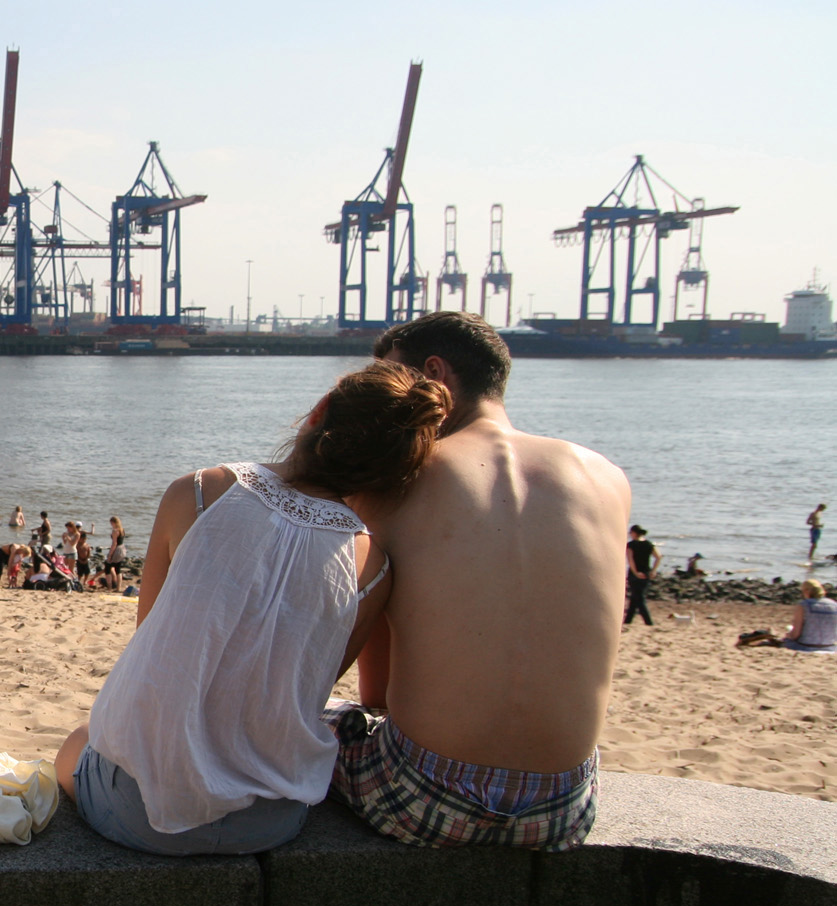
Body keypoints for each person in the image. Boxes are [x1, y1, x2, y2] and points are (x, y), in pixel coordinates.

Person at [52, 360, 447, 855]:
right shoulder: (375, 569)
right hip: (271, 818)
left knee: (79, 741)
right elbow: (308, 687)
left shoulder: (197, 491)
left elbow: (152, 639)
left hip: (143, 815)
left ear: (319, 412)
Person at [333, 311, 632, 852]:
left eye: (392, 381)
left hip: (424, 797)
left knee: (326, 723)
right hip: (563, 808)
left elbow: (375, 694)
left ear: (434, 374)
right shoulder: (606, 475)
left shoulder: (397, 477)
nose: (387, 402)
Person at [738, 580, 837, 652]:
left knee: (783, 636)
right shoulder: (834, 604)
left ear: (806, 591)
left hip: (807, 645)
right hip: (830, 645)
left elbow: (796, 635)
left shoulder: (805, 605)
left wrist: (788, 636)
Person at [625, 524, 659, 626]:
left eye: (630, 533)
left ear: (634, 533)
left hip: (635, 573)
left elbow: (630, 561)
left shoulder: (631, 545)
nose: (630, 534)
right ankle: (628, 620)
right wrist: (653, 570)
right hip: (646, 572)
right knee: (636, 596)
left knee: (639, 598)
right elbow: (658, 557)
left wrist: (635, 573)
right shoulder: (648, 544)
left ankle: (648, 621)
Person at [103, 517, 129, 590]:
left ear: (114, 522)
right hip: (122, 548)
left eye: (111, 523)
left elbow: (114, 543)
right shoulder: (122, 530)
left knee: (108, 567)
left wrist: (110, 555)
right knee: (118, 569)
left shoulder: (115, 531)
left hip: (117, 549)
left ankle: (110, 587)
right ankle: (118, 587)